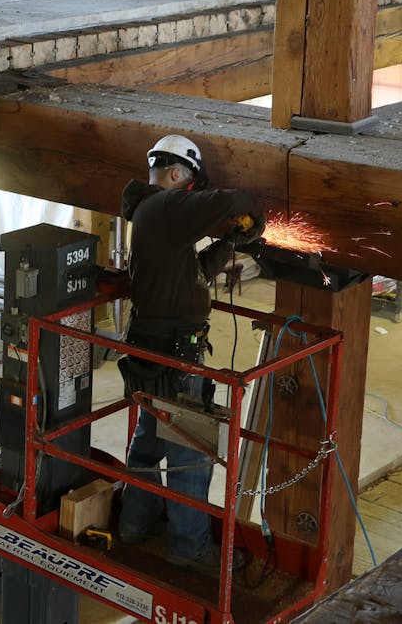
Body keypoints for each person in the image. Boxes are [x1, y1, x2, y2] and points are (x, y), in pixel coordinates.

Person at [115, 134, 265, 573]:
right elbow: (232, 198)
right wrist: (251, 215)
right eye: (192, 186)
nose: (193, 195)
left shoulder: (150, 213)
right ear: (179, 174)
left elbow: (192, 273)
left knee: (148, 441)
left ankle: (134, 524)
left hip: (153, 349)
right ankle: (189, 547)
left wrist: (232, 245)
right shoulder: (165, 206)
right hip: (176, 356)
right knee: (191, 453)